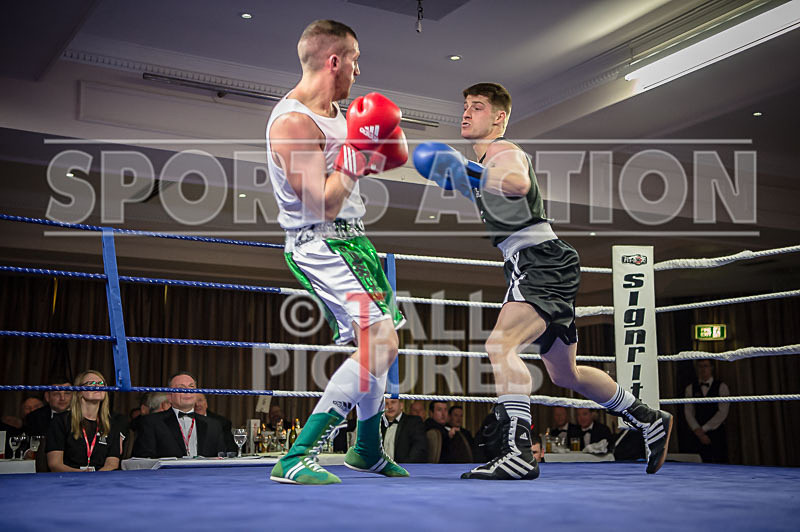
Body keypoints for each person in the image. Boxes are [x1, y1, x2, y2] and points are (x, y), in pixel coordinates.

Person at [414, 82, 673, 480]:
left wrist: (465, 170)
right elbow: (493, 194)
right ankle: (647, 418)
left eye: (478, 107)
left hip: (540, 262)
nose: (466, 113)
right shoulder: (486, 164)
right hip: (535, 263)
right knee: (565, 374)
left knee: (501, 345)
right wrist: (456, 178)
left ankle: (518, 453)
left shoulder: (504, 152)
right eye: (465, 105)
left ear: (499, 118)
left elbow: (516, 184)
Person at [265, 19, 408, 485]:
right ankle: (296, 456)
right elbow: (322, 202)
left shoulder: (341, 113)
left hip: (355, 239)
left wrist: (385, 134)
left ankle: (366, 449)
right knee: (383, 343)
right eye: (354, 60)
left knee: (380, 346)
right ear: (334, 61)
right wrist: (358, 152)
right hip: (321, 242)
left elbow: (391, 159)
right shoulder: (292, 123)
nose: (358, 69)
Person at [133, 371, 226, 458]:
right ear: (170, 396)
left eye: (191, 387)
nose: (188, 391)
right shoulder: (151, 422)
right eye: (181, 388)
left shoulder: (214, 425)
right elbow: (143, 459)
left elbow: (221, 459)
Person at [45, 370, 121, 472]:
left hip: (101, 481)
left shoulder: (111, 424)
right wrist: (83, 475)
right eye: (91, 383)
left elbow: (112, 463)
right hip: (68, 481)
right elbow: (55, 464)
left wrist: (96, 478)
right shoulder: (61, 421)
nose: (97, 386)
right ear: (79, 391)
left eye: (101, 383)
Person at [684, 360, 729, 463]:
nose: (703, 369)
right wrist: (698, 431)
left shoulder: (722, 387)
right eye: (700, 366)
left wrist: (704, 429)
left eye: (705, 366)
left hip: (716, 433)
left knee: (720, 463)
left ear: (711, 368)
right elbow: (688, 412)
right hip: (696, 433)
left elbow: (723, 412)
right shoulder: (690, 388)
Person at [381, 398, 427, 463]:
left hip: (406, 470)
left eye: (393, 402)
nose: (390, 406)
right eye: (386, 404)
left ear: (401, 405)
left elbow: (419, 450)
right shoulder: (378, 424)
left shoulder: (414, 422)